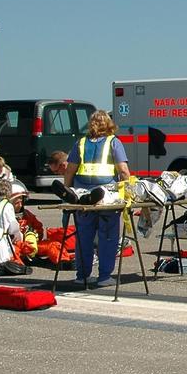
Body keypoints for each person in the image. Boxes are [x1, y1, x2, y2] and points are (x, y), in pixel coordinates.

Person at [63, 110, 131, 288]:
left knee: (84, 237)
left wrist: (68, 192)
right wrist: (129, 192)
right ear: (108, 124)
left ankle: (82, 275)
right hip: (106, 195)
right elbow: (123, 171)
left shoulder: (81, 143)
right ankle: (104, 277)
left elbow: (70, 170)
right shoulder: (113, 142)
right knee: (107, 236)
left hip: (82, 193)